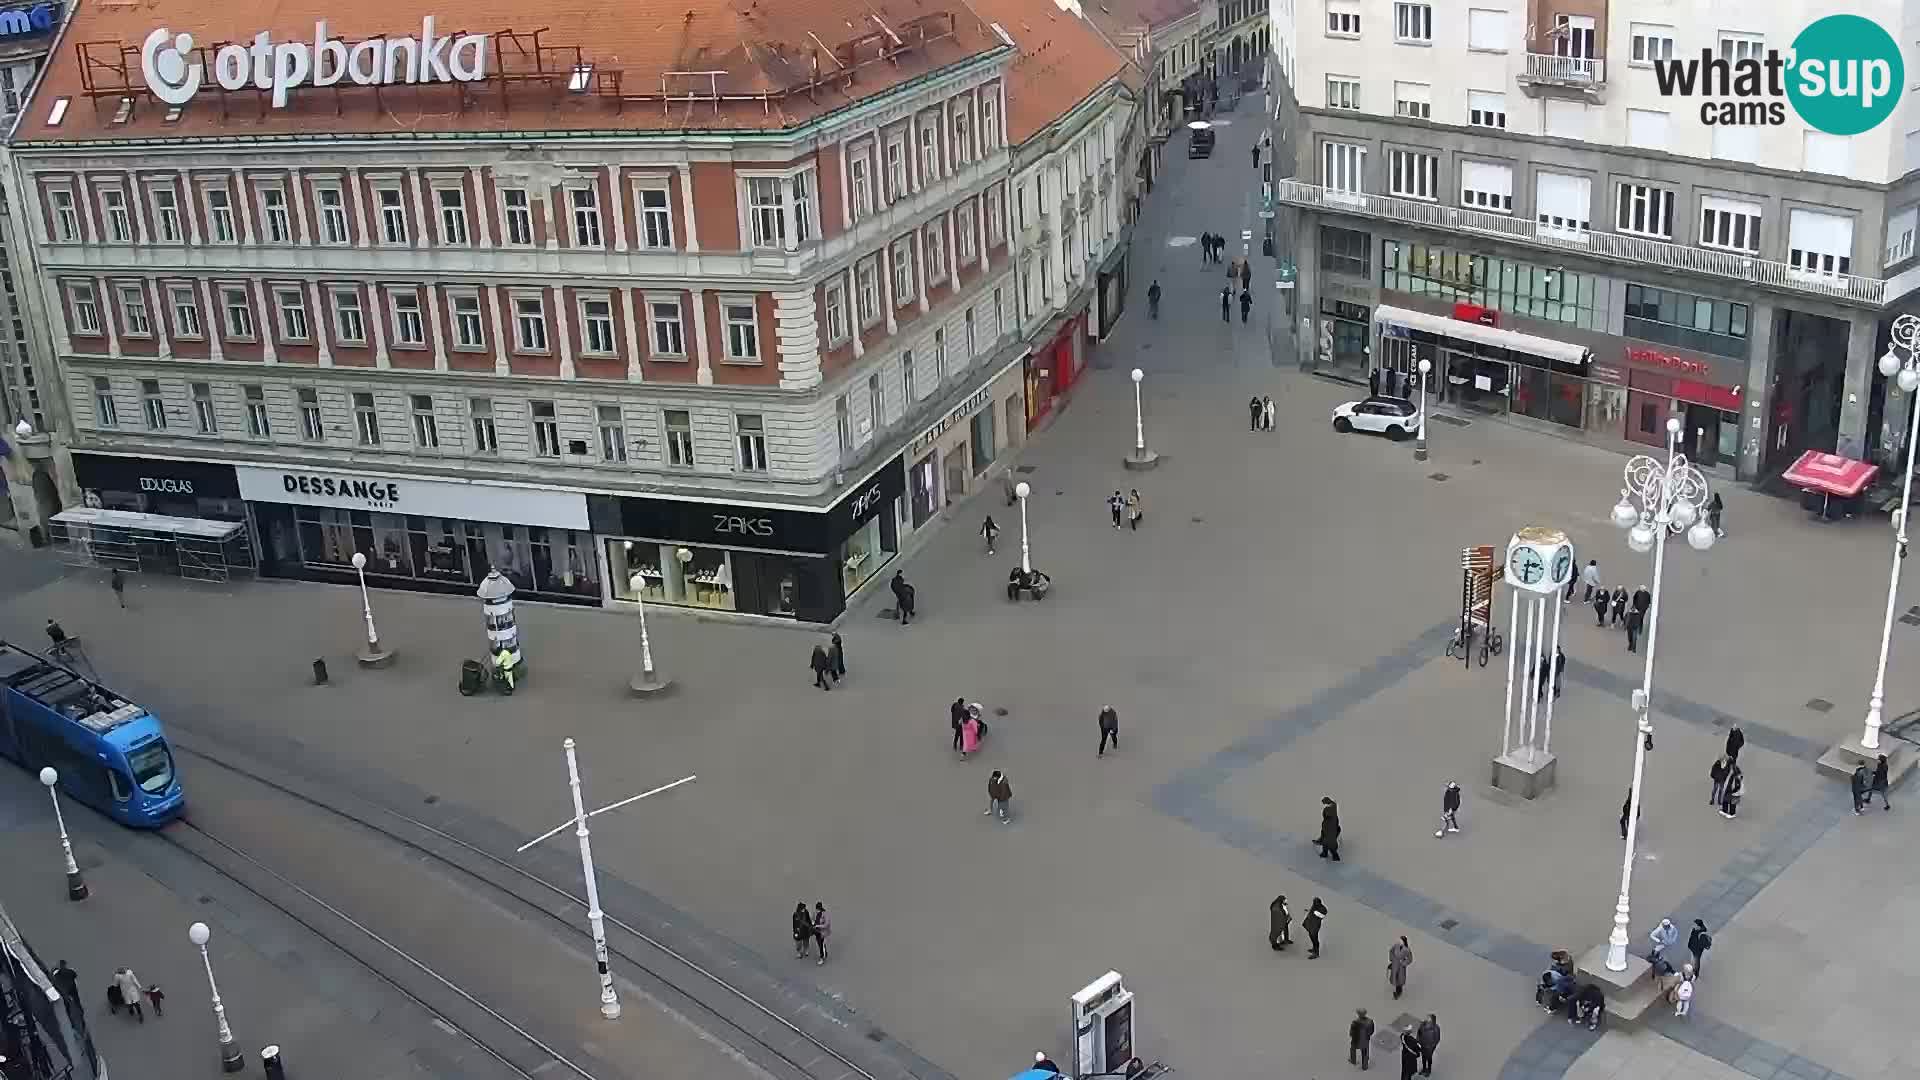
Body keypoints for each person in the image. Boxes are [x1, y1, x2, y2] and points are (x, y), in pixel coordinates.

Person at [1316, 796, 1342, 861]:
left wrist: (1321, 838)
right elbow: (1334, 804)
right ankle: (1326, 854)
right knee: (1329, 848)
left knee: (1330, 849)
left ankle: (1334, 860)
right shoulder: (1334, 816)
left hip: (1329, 840)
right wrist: (1328, 800)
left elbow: (1324, 831)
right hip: (1330, 839)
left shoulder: (1327, 822)